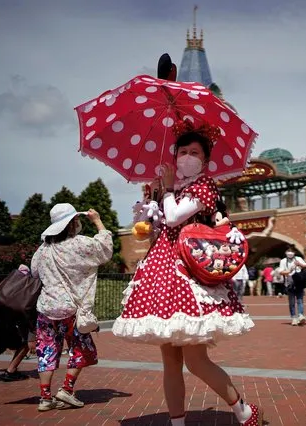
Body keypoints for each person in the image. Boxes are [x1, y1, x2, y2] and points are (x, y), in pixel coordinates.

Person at [112, 125, 262, 426]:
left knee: (195, 361)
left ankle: (242, 411)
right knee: (170, 361)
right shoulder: (168, 186)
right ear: (174, 155)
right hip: (163, 270)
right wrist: (149, 210)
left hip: (190, 270)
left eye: (195, 152)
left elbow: (176, 217)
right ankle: (177, 423)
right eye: (182, 151)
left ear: (205, 160)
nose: (187, 157)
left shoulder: (204, 185)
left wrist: (167, 191)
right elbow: (157, 228)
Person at [31, 204, 113, 412]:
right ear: (71, 223)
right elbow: (104, 251)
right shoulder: (79, 244)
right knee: (81, 349)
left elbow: (34, 272)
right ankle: (66, 390)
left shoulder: (42, 250)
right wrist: (97, 221)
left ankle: (45, 397)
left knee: (47, 351)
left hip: (46, 307)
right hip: (70, 309)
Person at [278, 248, 306, 326]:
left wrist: (299, 264)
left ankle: (301, 315)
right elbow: (281, 272)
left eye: (292, 252)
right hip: (289, 283)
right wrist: (289, 271)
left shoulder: (298, 258)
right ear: (286, 253)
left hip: (299, 282)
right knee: (291, 302)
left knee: (300, 300)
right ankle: (293, 317)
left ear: (294, 253)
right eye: (288, 252)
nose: (290, 253)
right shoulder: (283, 261)